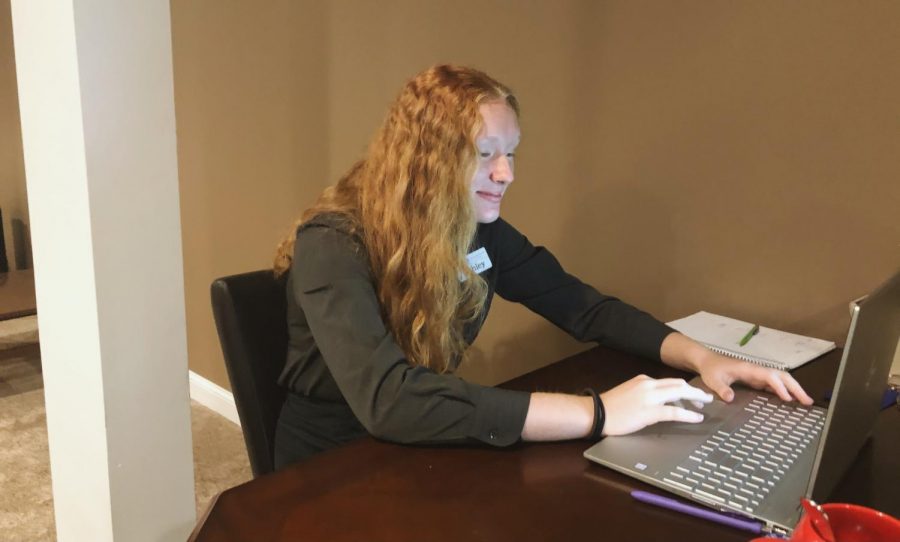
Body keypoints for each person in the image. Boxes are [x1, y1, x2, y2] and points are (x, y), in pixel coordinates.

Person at [271, 64, 812, 469]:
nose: (506, 173)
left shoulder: (477, 233)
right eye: (484, 154)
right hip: (332, 460)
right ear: (425, 159)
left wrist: (703, 356)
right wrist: (598, 413)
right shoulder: (333, 242)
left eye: (512, 153)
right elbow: (389, 401)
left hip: (422, 435)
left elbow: (583, 307)